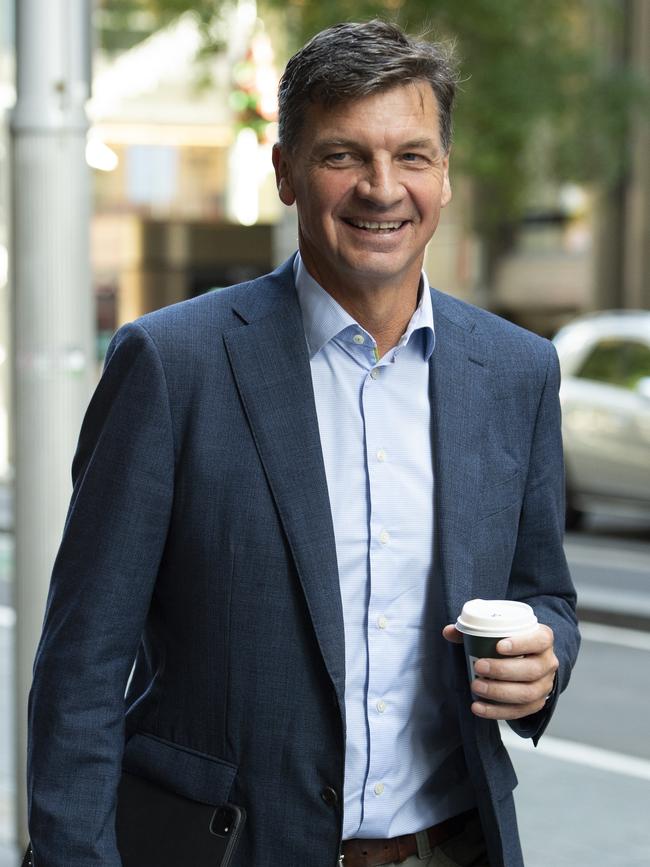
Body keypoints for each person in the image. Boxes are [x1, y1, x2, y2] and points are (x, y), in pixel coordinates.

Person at [27, 19, 580, 867]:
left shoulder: (517, 371)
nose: (381, 187)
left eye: (412, 155)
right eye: (342, 155)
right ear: (285, 171)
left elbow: (546, 597)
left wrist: (542, 662)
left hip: (454, 846)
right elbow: (82, 668)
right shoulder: (173, 365)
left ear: (445, 175)